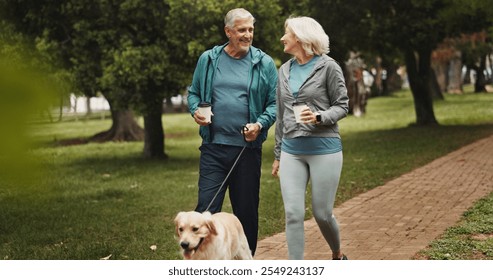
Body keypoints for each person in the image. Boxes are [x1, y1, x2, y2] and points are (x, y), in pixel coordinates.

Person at [187, 8, 277, 256]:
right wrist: (195, 110)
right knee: (206, 211)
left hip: (247, 152)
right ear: (228, 32)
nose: (247, 35)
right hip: (213, 148)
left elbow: (274, 103)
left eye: (250, 30)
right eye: (241, 30)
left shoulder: (264, 62)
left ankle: (246, 262)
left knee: (246, 212)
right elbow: (193, 93)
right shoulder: (208, 59)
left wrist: (260, 124)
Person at [271, 16, 349, 260]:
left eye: (287, 34)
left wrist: (319, 117)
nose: (283, 38)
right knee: (293, 213)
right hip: (291, 151)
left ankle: (337, 255)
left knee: (322, 213)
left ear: (301, 37)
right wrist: (277, 155)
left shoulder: (328, 67)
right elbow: (282, 115)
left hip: (324, 149)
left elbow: (342, 105)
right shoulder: (283, 70)